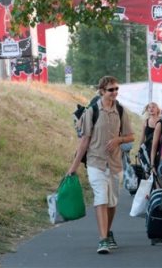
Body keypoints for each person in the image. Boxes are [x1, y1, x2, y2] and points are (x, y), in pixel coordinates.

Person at [67, 76, 134, 254]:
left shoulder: (120, 110)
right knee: (101, 199)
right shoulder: (92, 111)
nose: (114, 92)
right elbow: (84, 141)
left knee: (112, 203)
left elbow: (131, 136)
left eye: (116, 89)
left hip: (115, 163)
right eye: (111, 89)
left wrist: (119, 139)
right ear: (102, 91)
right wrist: (72, 168)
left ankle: (107, 232)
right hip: (96, 161)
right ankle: (102, 239)